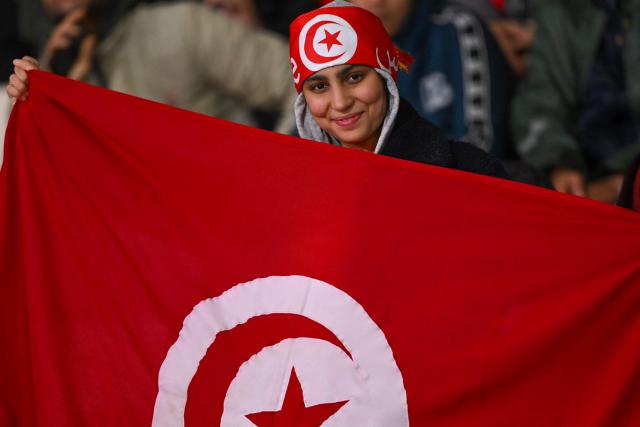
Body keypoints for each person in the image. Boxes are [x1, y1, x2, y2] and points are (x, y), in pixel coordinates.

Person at [289, 1, 508, 178]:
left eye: (354, 78)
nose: (340, 102)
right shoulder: (290, 181)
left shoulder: (470, 171)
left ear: (386, 78)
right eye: (319, 87)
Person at [24, 0, 298, 134]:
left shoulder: (178, 27)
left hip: (233, 214)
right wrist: (54, 90)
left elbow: (298, 80)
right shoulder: (57, 68)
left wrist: (275, 178)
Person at [511, 0, 640, 203]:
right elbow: (539, 103)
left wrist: (626, 184)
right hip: (587, 181)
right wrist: (560, 164)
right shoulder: (559, 14)